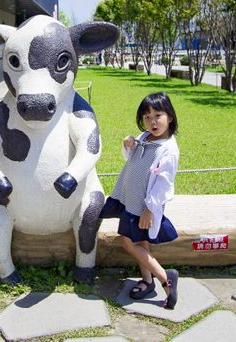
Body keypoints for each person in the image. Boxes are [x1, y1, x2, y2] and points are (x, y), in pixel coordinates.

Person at [100, 92, 180, 309]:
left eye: (158, 115)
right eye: (147, 117)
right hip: (130, 200)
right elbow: (133, 160)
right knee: (140, 242)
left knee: (128, 241)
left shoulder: (168, 150)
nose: (152, 122)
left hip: (144, 207)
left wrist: (149, 210)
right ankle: (147, 280)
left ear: (170, 117)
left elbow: (163, 185)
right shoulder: (145, 137)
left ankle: (165, 277)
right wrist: (128, 145)